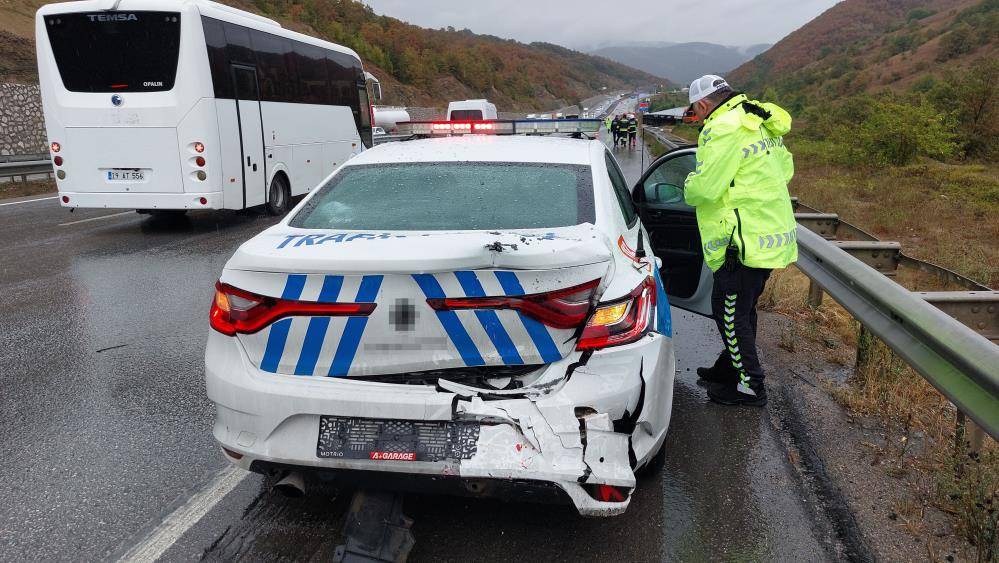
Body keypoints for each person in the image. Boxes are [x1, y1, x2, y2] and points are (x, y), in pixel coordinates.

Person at [682, 74, 797, 407]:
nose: (697, 117)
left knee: (729, 312)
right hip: (768, 236)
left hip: (741, 242)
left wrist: (689, 182)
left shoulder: (722, 128)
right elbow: (784, 172)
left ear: (703, 104)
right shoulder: (756, 119)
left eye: (696, 111)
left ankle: (750, 387)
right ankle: (728, 370)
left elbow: (703, 190)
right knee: (742, 310)